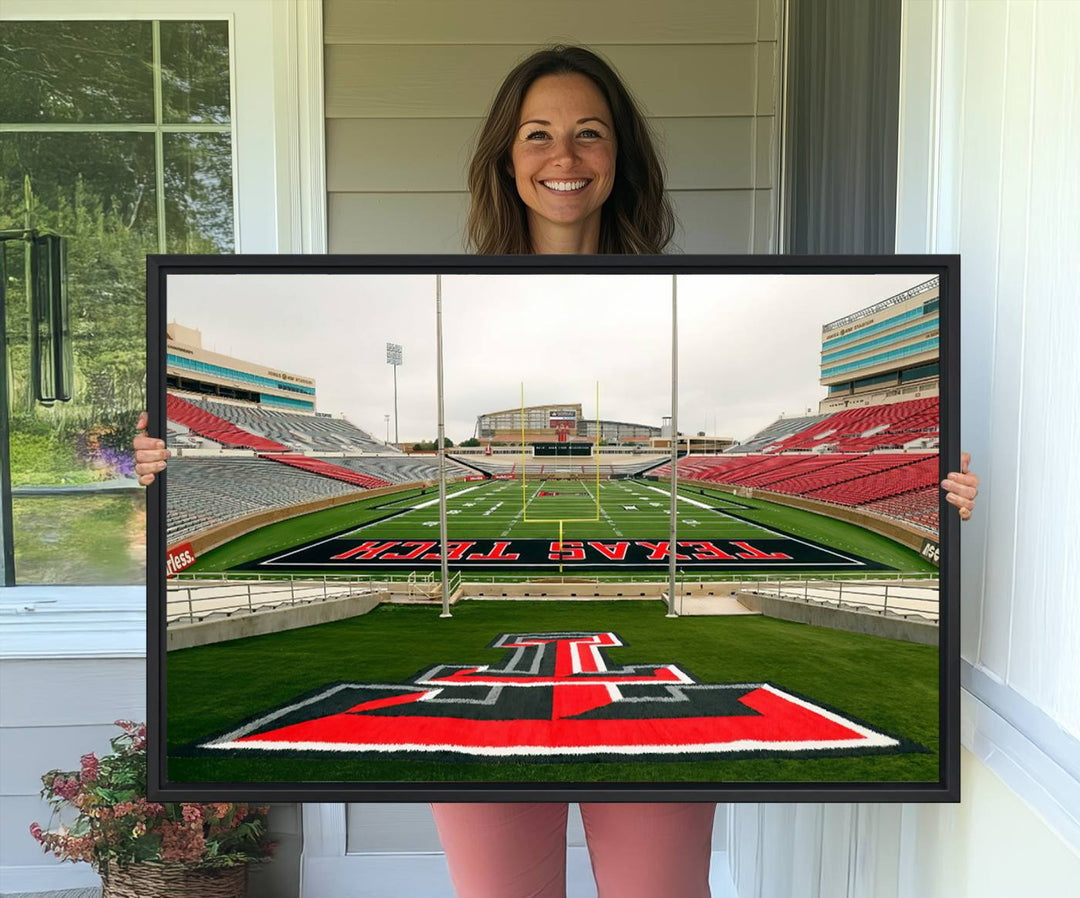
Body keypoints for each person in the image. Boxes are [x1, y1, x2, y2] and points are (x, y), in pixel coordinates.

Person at [134, 44, 979, 898]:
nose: (564, 157)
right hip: (491, 712)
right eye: (537, 134)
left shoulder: (681, 286)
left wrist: (944, 497)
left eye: (589, 134)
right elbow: (141, 529)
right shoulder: (445, 288)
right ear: (506, 156)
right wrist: (162, 470)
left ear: (621, 157)